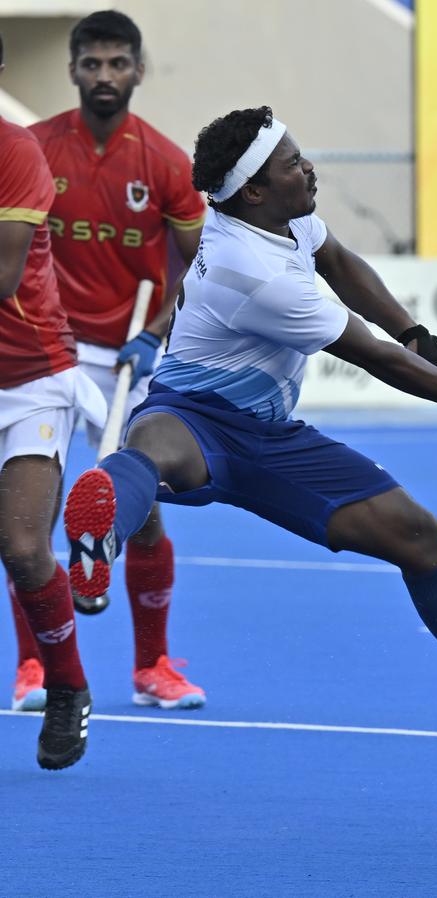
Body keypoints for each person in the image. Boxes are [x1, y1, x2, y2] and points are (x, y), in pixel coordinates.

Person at [62, 105, 437, 743]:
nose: (308, 167)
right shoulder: (252, 272)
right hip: (193, 411)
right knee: (151, 447)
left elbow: (338, 259)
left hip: (271, 438)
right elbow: (371, 355)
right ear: (254, 189)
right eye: (292, 163)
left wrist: (415, 331)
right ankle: (98, 543)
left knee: (420, 539)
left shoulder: (277, 218)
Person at [21, 10, 210, 711]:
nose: (105, 76)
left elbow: (202, 268)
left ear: (137, 69)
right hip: (45, 351)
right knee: (31, 520)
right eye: (92, 64)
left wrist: (155, 332)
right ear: (72, 69)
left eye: (118, 63)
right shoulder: (35, 149)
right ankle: (34, 668)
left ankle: (151, 665)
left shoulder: (164, 163)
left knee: (140, 510)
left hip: (130, 354)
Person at [0, 31, 99, 768]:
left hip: (32, 373)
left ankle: (65, 688)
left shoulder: (15, 153)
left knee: (25, 547)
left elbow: (3, 277)